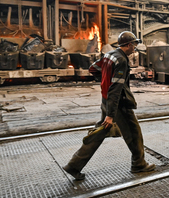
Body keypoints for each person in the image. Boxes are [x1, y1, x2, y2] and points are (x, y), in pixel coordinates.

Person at [63, 31, 155, 180]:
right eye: (135, 45)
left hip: (106, 101)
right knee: (134, 132)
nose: (135, 48)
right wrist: (111, 115)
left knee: (99, 132)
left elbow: (93, 68)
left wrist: (105, 80)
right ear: (129, 45)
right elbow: (115, 89)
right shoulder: (122, 60)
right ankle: (139, 164)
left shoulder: (109, 54)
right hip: (117, 104)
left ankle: (74, 165)